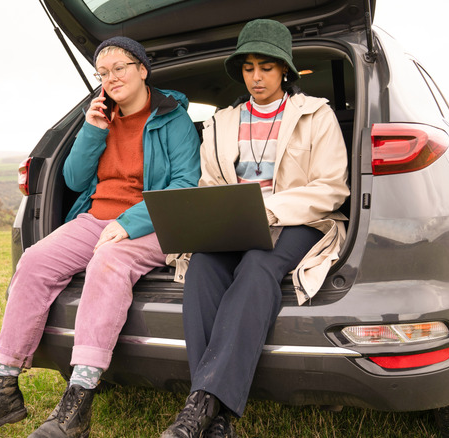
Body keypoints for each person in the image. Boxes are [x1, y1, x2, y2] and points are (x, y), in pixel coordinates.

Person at [0, 37, 200, 438]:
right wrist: (91, 130)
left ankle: (78, 402)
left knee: (109, 260)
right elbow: (74, 179)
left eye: (120, 68)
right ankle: (4, 390)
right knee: (33, 261)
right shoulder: (103, 117)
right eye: (103, 73)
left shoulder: (174, 120)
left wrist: (130, 222)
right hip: (96, 218)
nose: (111, 78)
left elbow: (185, 184)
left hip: (155, 223)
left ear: (142, 69)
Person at [161, 19, 349, 438]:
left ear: (284, 69)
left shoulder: (315, 114)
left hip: (299, 220)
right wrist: (215, 212)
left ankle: (199, 406)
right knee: (203, 268)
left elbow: (332, 187)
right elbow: (210, 183)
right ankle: (215, 419)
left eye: (266, 67)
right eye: (248, 68)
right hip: (234, 220)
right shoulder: (221, 122)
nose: (257, 77)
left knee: (257, 268)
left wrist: (271, 208)